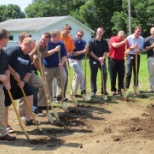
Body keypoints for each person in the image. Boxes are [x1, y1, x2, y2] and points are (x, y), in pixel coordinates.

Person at [3, 37, 38, 132]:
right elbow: (5, 64)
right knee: (6, 103)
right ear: (26, 44)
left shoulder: (26, 56)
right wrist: (14, 73)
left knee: (30, 94)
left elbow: (29, 72)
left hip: (20, 83)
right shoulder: (14, 51)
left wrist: (23, 81)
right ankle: (6, 125)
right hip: (8, 82)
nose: (30, 51)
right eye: (30, 49)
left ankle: (28, 118)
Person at [40, 30, 67, 102]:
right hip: (48, 67)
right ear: (53, 37)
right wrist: (55, 50)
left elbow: (64, 55)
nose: (59, 38)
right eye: (58, 36)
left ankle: (59, 95)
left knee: (63, 77)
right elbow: (45, 54)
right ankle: (50, 100)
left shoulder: (61, 43)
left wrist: (61, 63)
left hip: (58, 66)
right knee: (48, 83)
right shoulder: (47, 43)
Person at [0, 29, 16, 140]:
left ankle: (2, 133)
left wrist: (8, 81)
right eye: (8, 37)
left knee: (1, 109)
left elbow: (6, 69)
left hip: (0, 86)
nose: (8, 40)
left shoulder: (3, 53)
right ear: (3, 38)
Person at [88, 27, 109, 97]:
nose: (99, 33)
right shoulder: (91, 41)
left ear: (103, 33)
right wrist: (98, 59)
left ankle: (104, 89)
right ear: (96, 32)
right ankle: (93, 91)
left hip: (102, 61)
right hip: (93, 61)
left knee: (105, 73)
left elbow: (106, 51)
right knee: (93, 75)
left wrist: (103, 58)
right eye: (98, 32)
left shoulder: (105, 42)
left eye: (101, 32)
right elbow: (90, 52)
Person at [108, 30, 130, 95]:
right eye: (120, 37)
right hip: (112, 60)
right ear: (118, 35)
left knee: (121, 75)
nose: (121, 38)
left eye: (123, 37)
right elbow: (115, 45)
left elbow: (128, 48)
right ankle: (113, 90)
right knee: (113, 75)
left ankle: (120, 90)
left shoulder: (125, 40)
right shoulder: (113, 39)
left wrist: (128, 52)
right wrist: (123, 42)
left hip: (121, 60)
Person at [69, 30, 88, 97]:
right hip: (72, 60)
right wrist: (83, 51)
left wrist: (86, 50)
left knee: (77, 77)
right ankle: (83, 89)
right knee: (80, 74)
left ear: (82, 36)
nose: (79, 37)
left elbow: (86, 50)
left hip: (79, 61)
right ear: (75, 35)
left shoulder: (83, 42)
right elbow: (73, 53)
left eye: (80, 36)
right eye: (78, 35)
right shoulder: (73, 41)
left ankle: (73, 93)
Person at [60, 24, 75, 100]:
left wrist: (69, 53)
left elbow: (72, 49)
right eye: (66, 32)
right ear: (63, 29)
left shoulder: (70, 38)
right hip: (57, 60)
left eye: (68, 32)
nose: (67, 34)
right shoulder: (58, 37)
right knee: (57, 78)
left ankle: (63, 95)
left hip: (66, 59)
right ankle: (55, 96)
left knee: (65, 77)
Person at [126, 26, 144, 90]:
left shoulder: (141, 39)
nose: (138, 33)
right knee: (128, 72)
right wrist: (133, 47)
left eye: (140, 31)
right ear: (134, 31)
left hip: (137, 56)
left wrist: (139, 51)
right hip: (130, 55)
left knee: (136, 72)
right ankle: (126, 87)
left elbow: (142, 49)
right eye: (137, 31)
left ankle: (136, 86)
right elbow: (126, 48)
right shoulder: (129, 38)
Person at [144, 27, 154, 92]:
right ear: (150, 32)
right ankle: (152, 87)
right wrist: (152, 46)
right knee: (151, 73)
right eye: (153, 31)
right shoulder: (147, 39)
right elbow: (145, 48)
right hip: (151, 58)